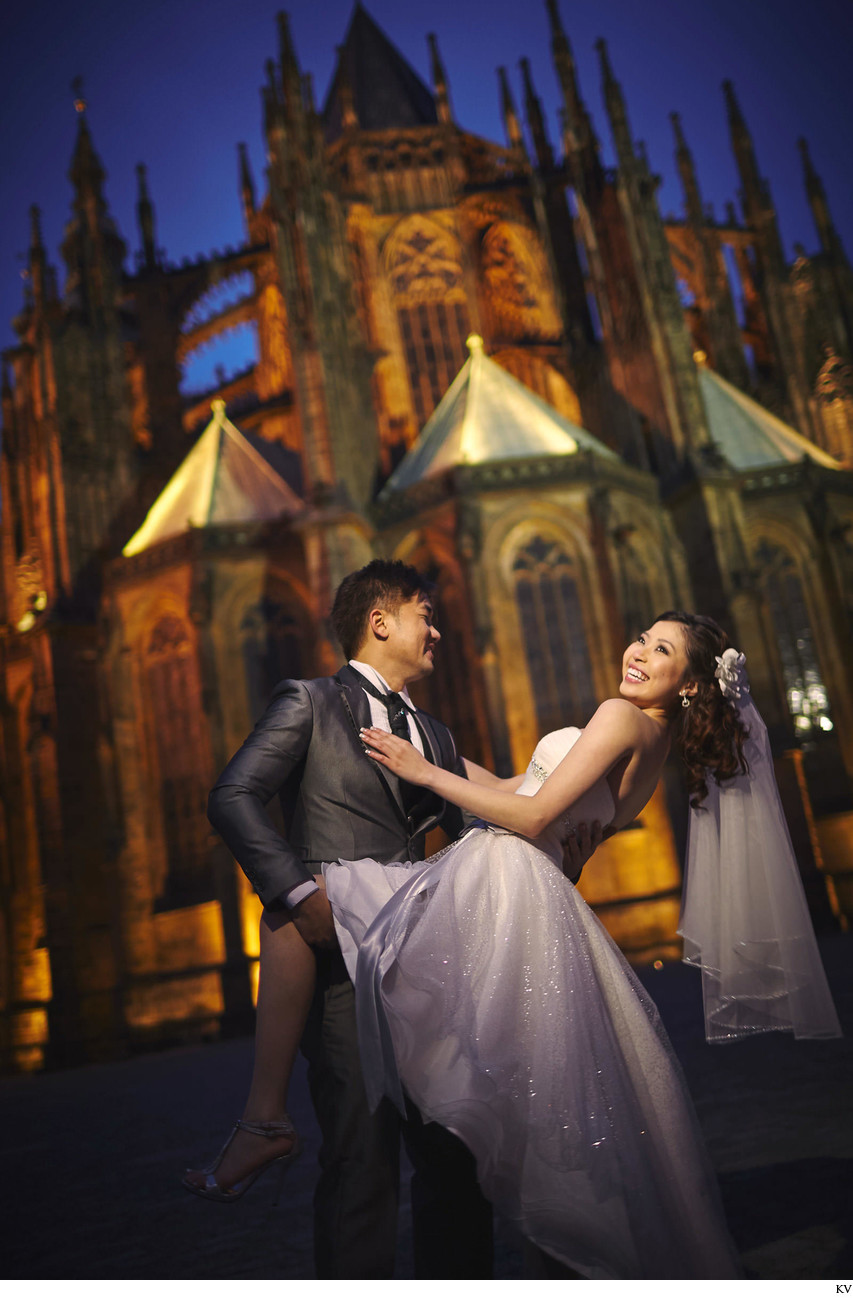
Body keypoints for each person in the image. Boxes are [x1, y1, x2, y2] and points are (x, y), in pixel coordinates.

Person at [183, 558, 598, 1280]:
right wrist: (296, 895)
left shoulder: (433, 735)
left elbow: (490, 823)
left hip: (429, 962)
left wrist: (570, 842)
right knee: (360, 1158)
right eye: (424, 614)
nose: (436, 630)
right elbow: (233, 795)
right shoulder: (309, 702)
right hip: (338, 966)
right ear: (379, 622)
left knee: (453, 1155)